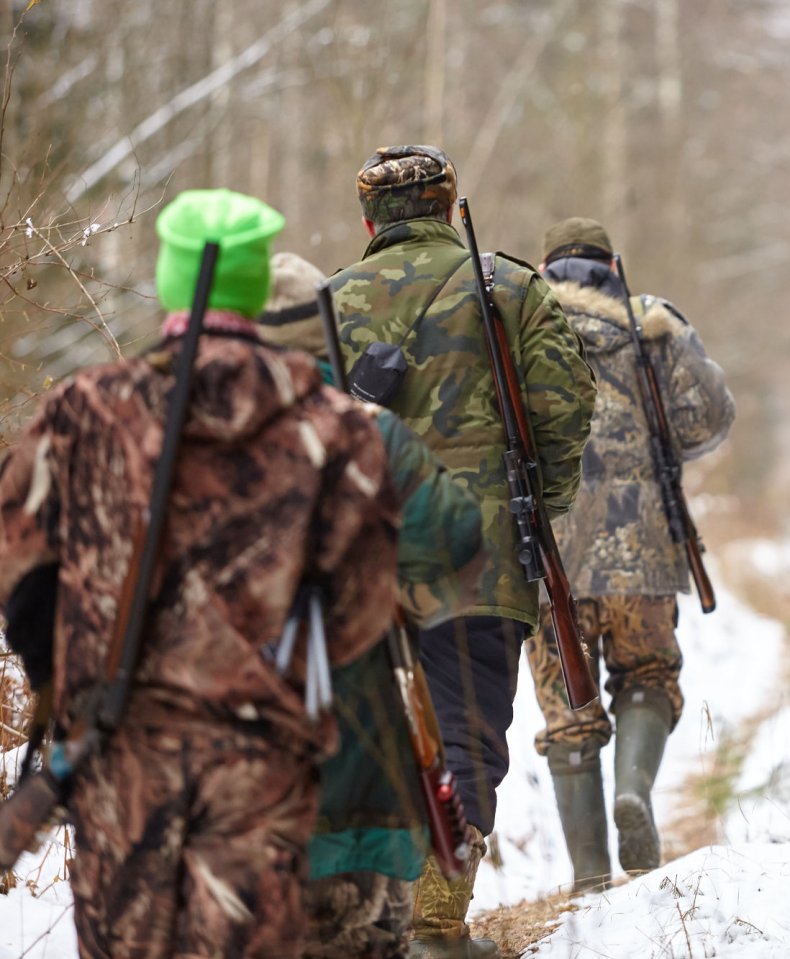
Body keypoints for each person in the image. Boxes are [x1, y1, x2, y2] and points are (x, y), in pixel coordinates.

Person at [0, 189, 400, 959]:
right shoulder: (334, 429)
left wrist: (64, 670)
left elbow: (17, 566)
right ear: (256, 289)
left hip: (117, 760)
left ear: (170, 280)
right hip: (262, 766)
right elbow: (361, 613)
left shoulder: (81, 412)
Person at [331, 146, 596, 958]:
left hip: (357, 558)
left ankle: (365, 922)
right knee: (466, 734)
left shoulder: (328, 302)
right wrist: (535, 511)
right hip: (478, 556)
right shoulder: (510, 287)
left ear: (370, 222)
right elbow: (564, 408)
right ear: (448, 209)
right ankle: (435, 923)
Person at [259, 251, 490, 959]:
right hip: (351, 786)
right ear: (323, 332)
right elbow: (456, 539)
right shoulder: (365, 432)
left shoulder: (165, 434)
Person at [526, 218, 735, 891]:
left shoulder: (517, 327)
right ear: (611, 266)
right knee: (647, 674)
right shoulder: (651, 324)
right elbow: (710, 417)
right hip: (640, 548)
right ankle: (634, 791)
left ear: (545, 270)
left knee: (567, 714)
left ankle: (589, 881)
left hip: (548, 558)